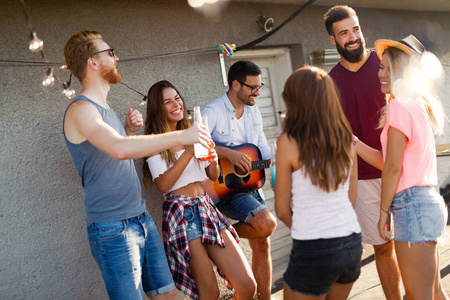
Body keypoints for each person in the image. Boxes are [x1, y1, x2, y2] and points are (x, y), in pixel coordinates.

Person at [62, 31, 211, 300]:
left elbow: (113, 153)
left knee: (167, 296)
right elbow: (118, 149)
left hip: (140, 218)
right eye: (110, 53)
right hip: (111, 228)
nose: (116, 58)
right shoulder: (81, 110)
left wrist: (129, 133)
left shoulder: (103, 108)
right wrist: (182, 136)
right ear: (93, 63)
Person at [142, 80, 257, 300]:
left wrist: (212, 158)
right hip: (182, 214)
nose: (176, 104)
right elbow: (164, 185)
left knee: (247, 285)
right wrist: (188, 150)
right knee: (210, 293)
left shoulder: (193, 132)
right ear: (158, 109)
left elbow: (212, 175)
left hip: (205, 207)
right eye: (167, 101)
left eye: (177, 98)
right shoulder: (154, 143)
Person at [354, 35, 448, 300]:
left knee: (418, 296)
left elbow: (392, 168)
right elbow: (390, 161)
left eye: (385, 67)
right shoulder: (417, 105)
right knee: (434, 293)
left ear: (400, 70)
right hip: (428, 203)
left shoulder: (397, 106)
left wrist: (383, 212)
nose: (380, 74)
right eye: (380, 68)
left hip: (412, 207)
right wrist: (357, 144)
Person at [323, 5, 402, 299]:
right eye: (344, 33)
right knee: (383, 248)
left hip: (401, 169)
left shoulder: (385, 65)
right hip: (363, 179)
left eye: (355, 29)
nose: (353, 37)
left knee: (412, 244)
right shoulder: (329, 83)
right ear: (333, 40)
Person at [275, 66, 361, 299]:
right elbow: (351, 199)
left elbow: (282, 209)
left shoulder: (288, 142)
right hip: (350, 242)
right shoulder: (345, 137)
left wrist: (306, 230)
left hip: (313, 245)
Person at [202, 60, 277, 300]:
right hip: (221, 188)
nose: (258, 92)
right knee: (265, 224)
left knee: (262, 242)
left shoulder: (253, 110)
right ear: (236, 84)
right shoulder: (212, 111)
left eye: (260, 86)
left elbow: (261, 145)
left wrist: (276, 157)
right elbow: (195, 144)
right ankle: (220, 244)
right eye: (253, 87)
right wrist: (227, 153)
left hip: (250, 185)